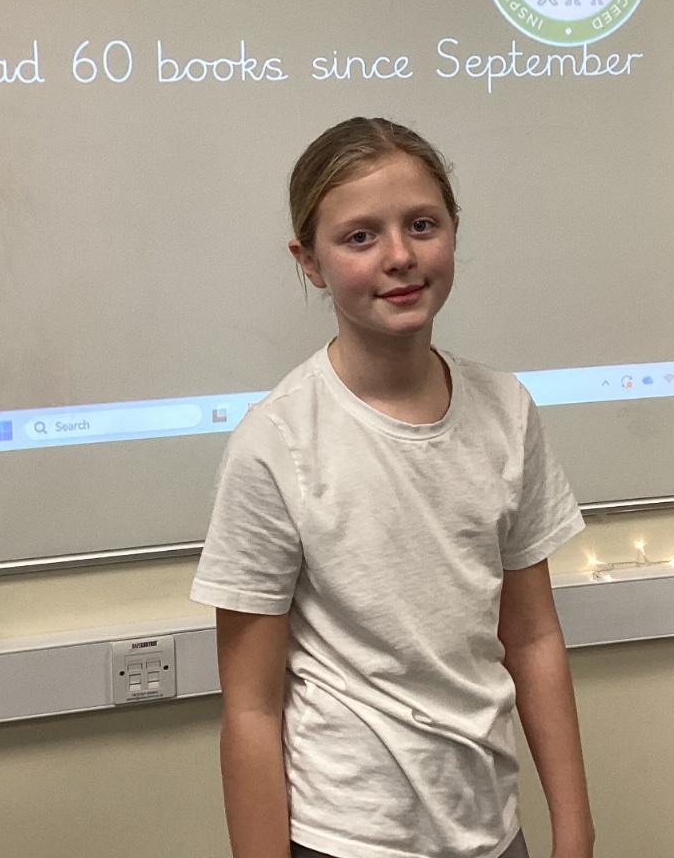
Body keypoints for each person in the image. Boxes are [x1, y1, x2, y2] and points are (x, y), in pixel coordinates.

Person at [191, 117, 594, 858]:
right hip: (347, 836)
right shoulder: (276, 443)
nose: (400, 256)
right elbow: (250, 708)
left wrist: (574, 828)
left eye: (421, 225)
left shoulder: (507, 411)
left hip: (490, 828)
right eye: (360, 237)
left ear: (453, 230)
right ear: (309, 261)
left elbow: (534, 636)